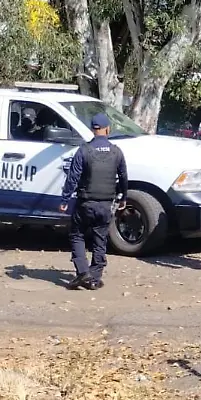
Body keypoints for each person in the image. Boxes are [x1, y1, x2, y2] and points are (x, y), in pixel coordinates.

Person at [60, 113, 128, 290]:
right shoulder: (116, 152)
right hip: (106, 204)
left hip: (85, 203)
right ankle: (95, 277)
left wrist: (65, 198)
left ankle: (83, 273)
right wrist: (123, 197)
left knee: (77, 235)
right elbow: (123, 177)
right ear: (107, 129)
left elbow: (73, 177)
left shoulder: (84, 150)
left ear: (93, 129)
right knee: (100, 238)